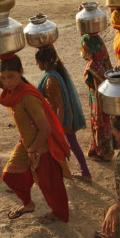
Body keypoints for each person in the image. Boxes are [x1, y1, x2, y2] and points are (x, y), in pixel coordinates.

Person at [0, 52, 71, 224]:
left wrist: (33, 149)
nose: (7, 81)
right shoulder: (10, 88)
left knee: (50, 184)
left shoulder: (28, 97)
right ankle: (28, 203)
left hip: (42, 146)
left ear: (21, 72)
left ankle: (59, 214)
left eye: (11, 76)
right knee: (10, 176)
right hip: (27, 143)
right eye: (3, 78)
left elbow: (45, 129)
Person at [35, 45, 91, 181]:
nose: (36, 65)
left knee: (61, 145)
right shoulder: (57, 67)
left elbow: (60, 105)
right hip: (66, 116)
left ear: (46, 63)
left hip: (61, 118)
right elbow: (56, 57)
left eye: (38, 62)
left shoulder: (51, 81)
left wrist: (57, 128)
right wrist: (48, 44)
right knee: (72, 143)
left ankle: (78, 172)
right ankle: (84, 171)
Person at [80, 34, 115, 162]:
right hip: (108, 96)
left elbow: (98, 88)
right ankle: (105, 150)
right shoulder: (104, 60)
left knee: (100, 124)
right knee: (107, 124)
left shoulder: (93, 65)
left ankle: (103, 153)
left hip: (98, 99)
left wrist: (98, 110)